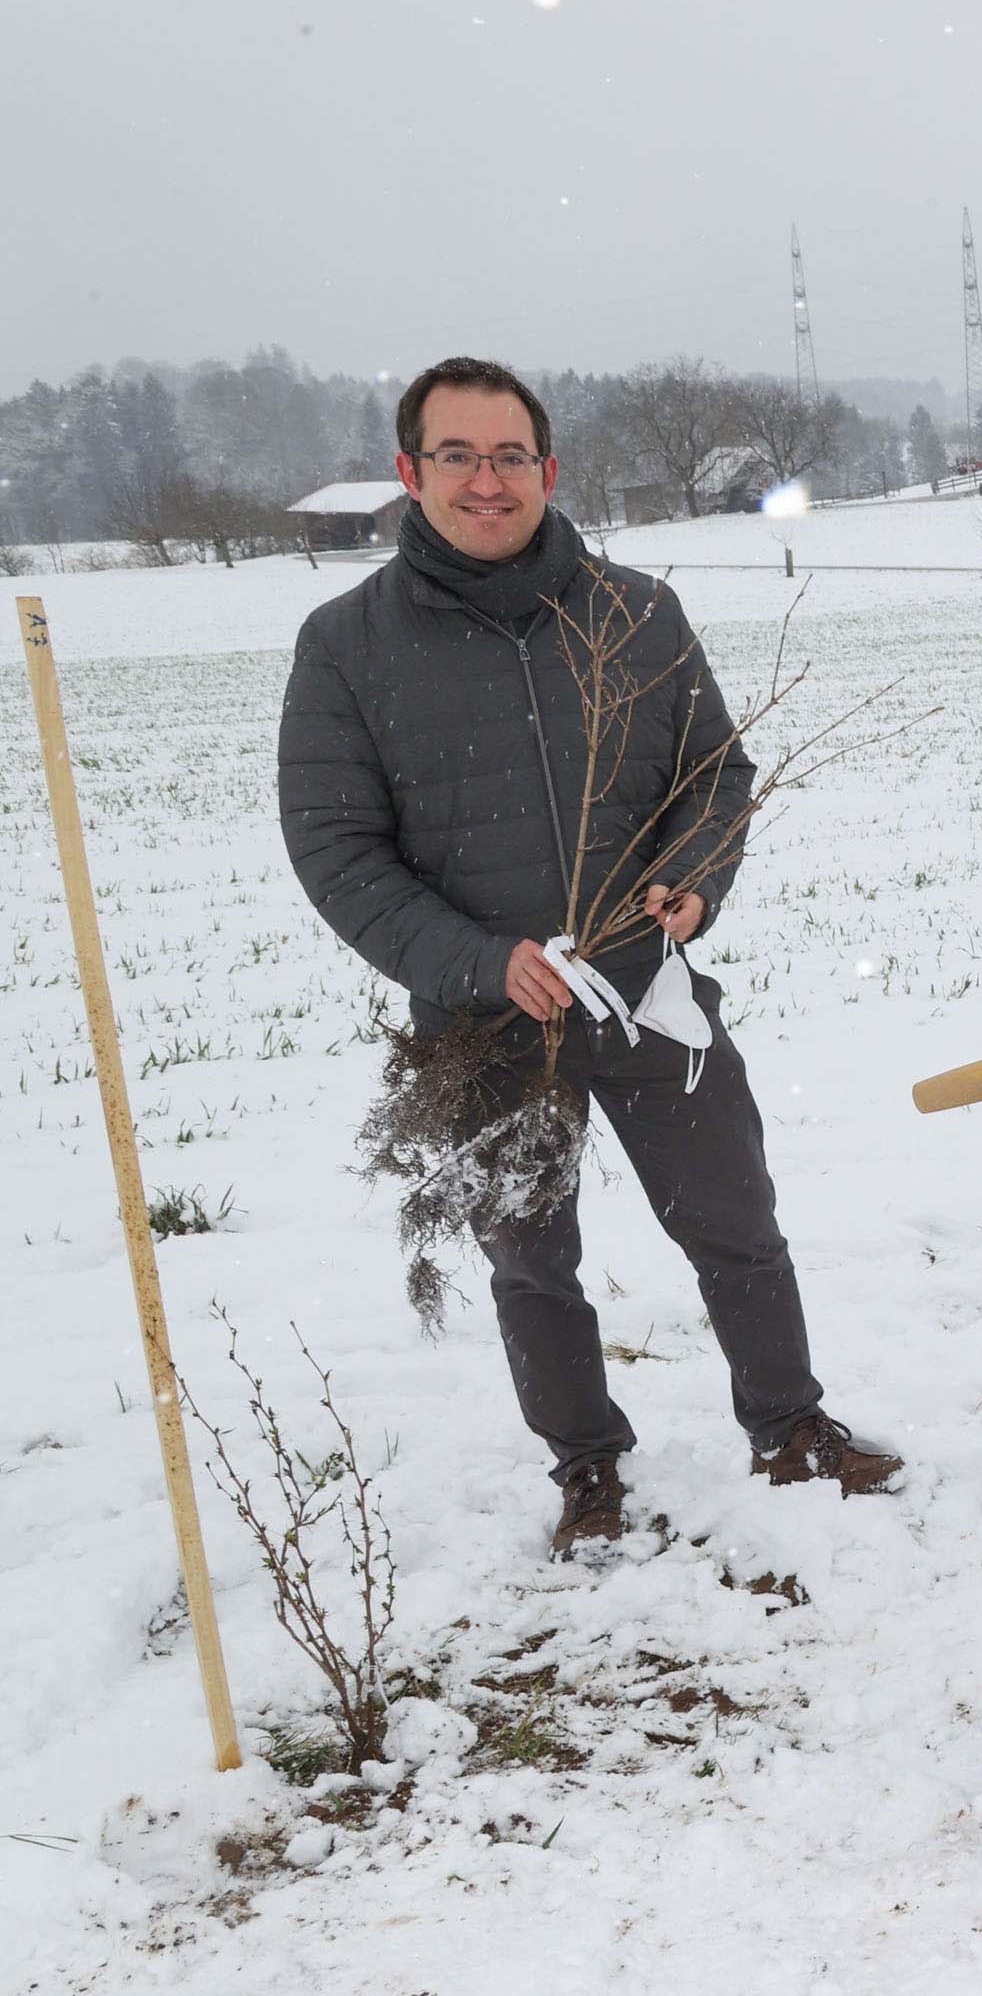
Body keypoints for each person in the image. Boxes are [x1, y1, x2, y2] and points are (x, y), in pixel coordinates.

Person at [277, 356, 900, 1558]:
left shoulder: (636, 611)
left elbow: (716, 772)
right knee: (530, 1259)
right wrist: (476, 960)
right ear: (410, 473)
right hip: (483, 1019)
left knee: (735, 1220)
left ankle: (788, 1425)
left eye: (509, 455)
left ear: (548, 470)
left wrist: (694, 886)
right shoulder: (349, 644)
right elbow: (336, 850)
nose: (486, 479)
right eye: (455, 454)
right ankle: (588, 1470)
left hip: (648, 989)